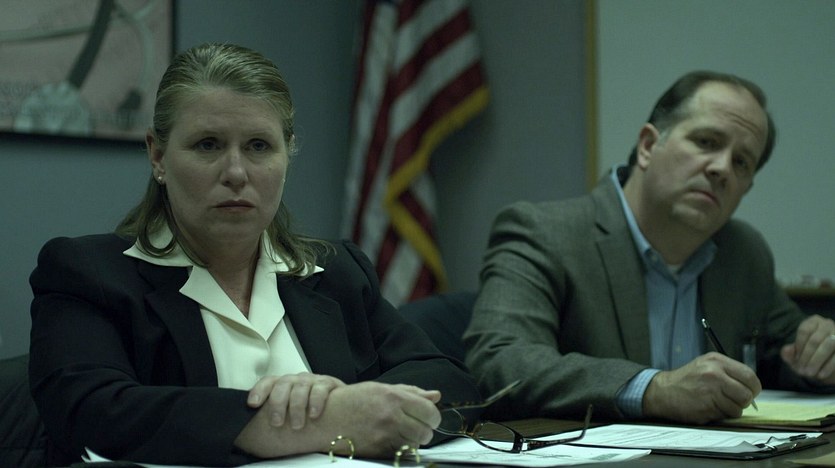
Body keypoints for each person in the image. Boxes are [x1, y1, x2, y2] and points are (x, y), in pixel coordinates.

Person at [28, 42, 480, 467]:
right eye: (208, 144)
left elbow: (450, 380)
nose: (236, 172)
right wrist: (323, 421)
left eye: (258, 146)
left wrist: (368, 407)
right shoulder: (89, 273)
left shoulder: (335, 271)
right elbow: (89, 411)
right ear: (158, 156)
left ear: (287, 155)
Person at [464, 70, 835, 425]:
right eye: (706, 142)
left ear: (746, 188)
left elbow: (787, 350)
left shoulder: (742, 253)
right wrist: (654, 390)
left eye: (741, 162)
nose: (722, 168)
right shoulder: (545, 233)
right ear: (647, 146)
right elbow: (500, 361)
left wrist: (821, 352)